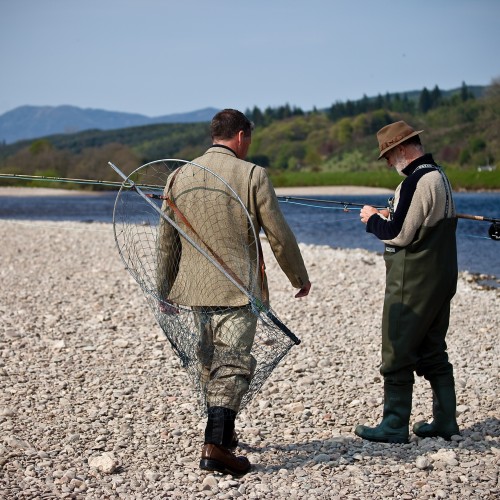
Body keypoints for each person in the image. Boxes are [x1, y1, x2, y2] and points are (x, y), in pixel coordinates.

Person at [156, 109, 311, 474]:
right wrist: (298, 276)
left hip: (193, 290)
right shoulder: (253, 174)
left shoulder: (178, 176)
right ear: (241, 136)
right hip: (238, 290)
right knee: (233, 365)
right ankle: (216, 449)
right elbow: (278, 234)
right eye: (249, 139)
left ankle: (224, 439)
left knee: (211, 364)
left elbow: (166, 241)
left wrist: (164, 290)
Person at [355, 120, 460, 443]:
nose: (388, 163)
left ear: (401, 149)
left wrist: (372, 219)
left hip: (413, 280)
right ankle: (445, 422)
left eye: (387, 156)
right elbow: (416, 222)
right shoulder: (439, 175)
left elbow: (398, 235)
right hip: (442, 277)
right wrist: (390, 216)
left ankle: (394, 425)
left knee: (397, 348)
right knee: (432, 350)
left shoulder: (416, 181)